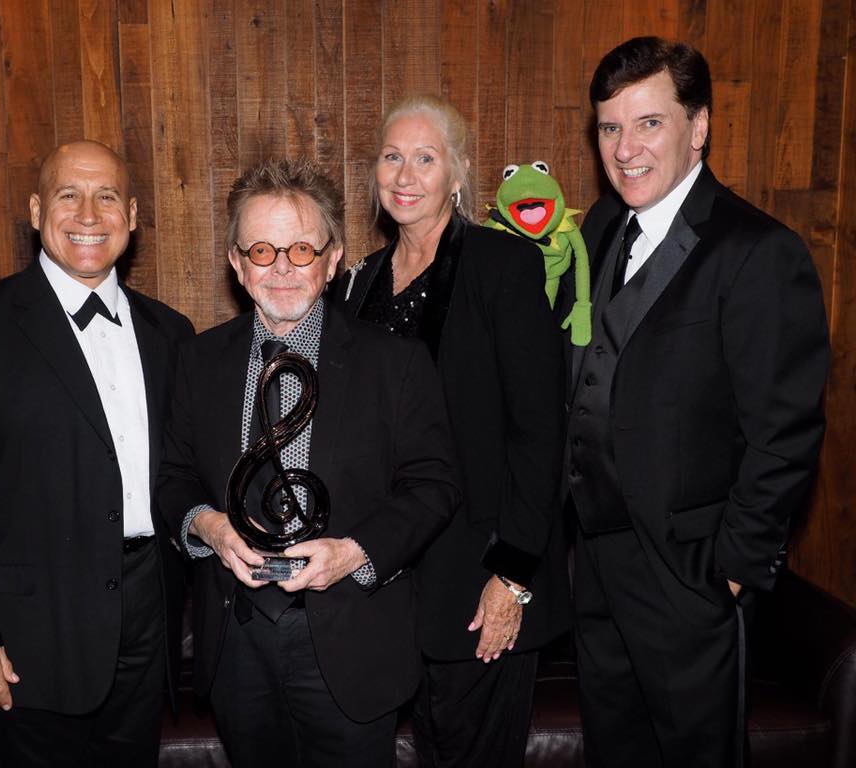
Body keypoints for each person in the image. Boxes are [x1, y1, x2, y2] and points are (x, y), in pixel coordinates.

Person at [560, 37, 830, 768]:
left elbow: (785, 434)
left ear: (699, 126)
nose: (625, 149)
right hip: (599, 568)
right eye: (610, 127)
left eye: (649, 123)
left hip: (690, 575)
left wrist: (728, 572)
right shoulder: (598, 228)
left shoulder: (758, 252)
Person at [158, 157, 459, 768]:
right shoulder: (197, 362)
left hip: (352, 639)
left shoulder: (395, 363)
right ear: (237, 263)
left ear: (333, 258)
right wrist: (209, 527)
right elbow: (173, 478)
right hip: (236, 640)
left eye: (301, 250)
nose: (282, 269)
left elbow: (434, 486)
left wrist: (354, 553)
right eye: (262, 250)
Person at [0, 140, 194, 767]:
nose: (88, 214)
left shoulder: (170, 333)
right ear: (37, 211)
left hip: (146, 619)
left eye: (107, 196)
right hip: (27, 635)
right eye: (69, 195)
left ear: (133, 216)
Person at [339, 94, 569, 768]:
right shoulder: (358, 284)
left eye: (425, 158)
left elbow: (539, 431)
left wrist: (512, 578)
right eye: (391, 157)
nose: (404, 175)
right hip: (393, 584)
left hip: (481, 579)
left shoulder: (503, 265)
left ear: (458, 173)